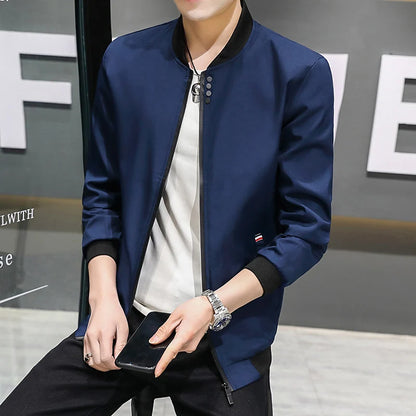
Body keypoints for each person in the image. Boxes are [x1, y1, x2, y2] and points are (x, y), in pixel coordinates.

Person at [0, 0, 334, 414]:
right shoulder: (126, 59)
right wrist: (103, 301)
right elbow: (103, 193)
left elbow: (306, 231)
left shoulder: (297, 72)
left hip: (223, 339)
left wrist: (213, 306)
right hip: (125, 319)